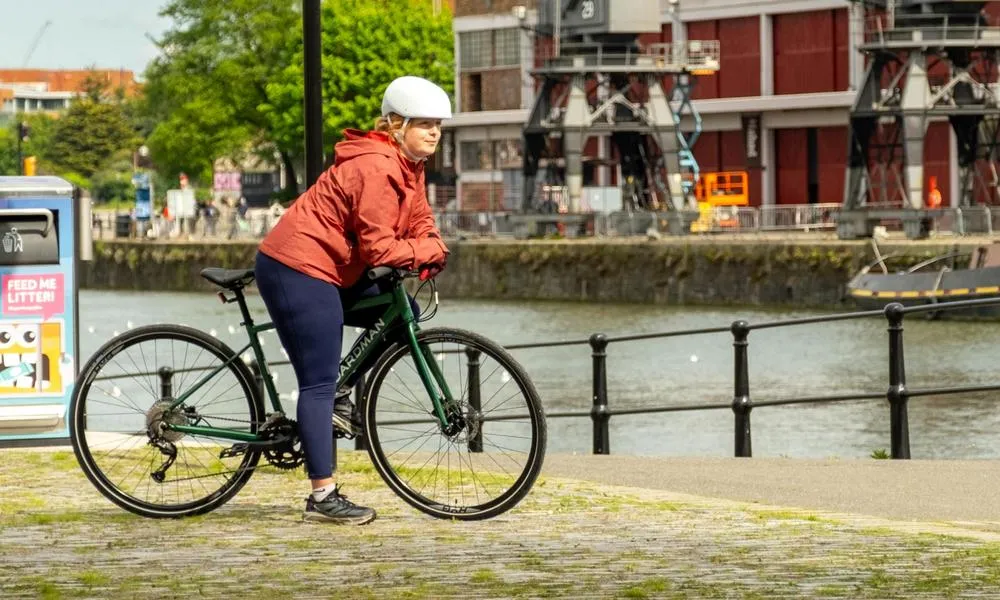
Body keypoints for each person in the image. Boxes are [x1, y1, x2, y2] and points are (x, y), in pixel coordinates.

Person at [253, 75, 451, 525]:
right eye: (425, 124)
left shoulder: (409, 166)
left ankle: (340, 394)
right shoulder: (377, 167)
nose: (434, 132)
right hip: (298, 268)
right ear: (396, 124)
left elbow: (420, 220)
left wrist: (431, 244)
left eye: (438, 124)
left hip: (336, 266)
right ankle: (322, 496)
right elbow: (380, 250)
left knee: (404, 315)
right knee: (318, 382)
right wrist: (426, 252)